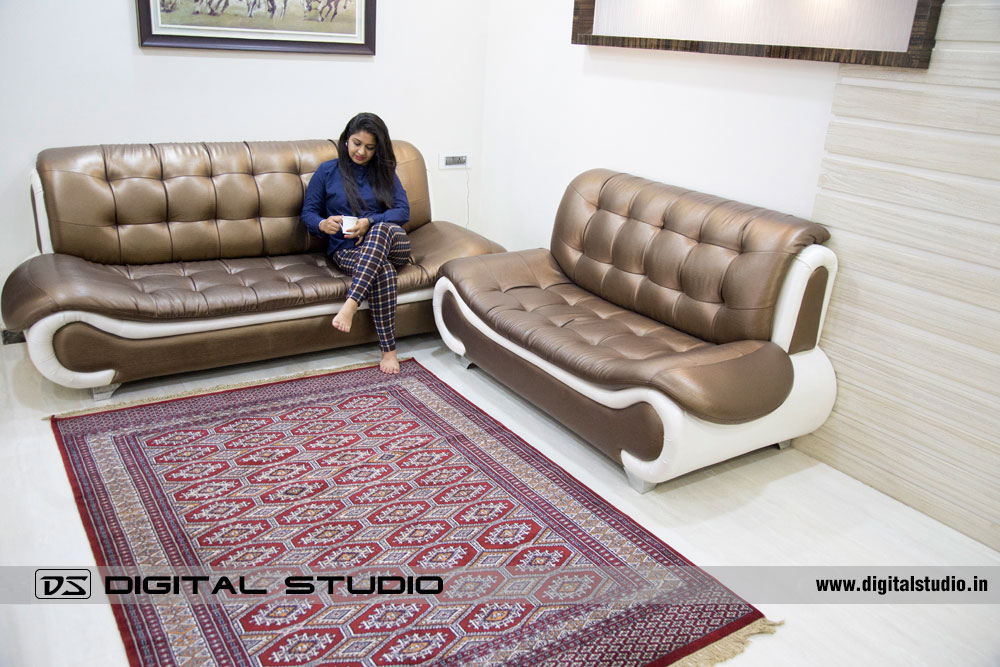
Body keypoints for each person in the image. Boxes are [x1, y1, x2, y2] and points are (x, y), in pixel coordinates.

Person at [301, 112, 411, 374]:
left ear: (378, 148)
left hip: (394, 244)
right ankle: (389, 351)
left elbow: (403, 212)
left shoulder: (384, 172)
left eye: (370, 147)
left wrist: (369, 222)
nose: (361, 151)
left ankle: (350, 304)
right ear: (346, 140)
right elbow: (308, 213)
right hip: (347, 250)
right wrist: (321, 224)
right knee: (382, 270)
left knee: (381, 228)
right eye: (356, 144)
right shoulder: (327, 171)